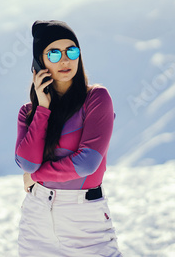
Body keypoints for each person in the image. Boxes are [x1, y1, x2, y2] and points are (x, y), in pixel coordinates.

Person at [15, 20, 122, 256]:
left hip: (85, 222)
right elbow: (28, 162)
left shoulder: (96, 99)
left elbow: (86, 163)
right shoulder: (28, 113)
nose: (65, 60)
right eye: (53, 53)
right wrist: (43, 109)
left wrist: (35, 175)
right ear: (39, 62)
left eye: (71, 51)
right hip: (37, 221)